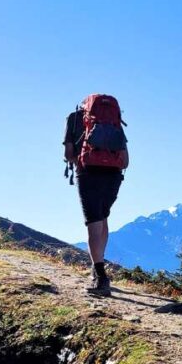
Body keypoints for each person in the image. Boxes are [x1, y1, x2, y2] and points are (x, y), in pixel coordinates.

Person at [64, 94, 129, 297]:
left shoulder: (74, 118)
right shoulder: (115, 122)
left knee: (93, 221)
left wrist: (78, 160)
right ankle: (97, 266)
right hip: (113, 176)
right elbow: (125, 160)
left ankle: (100, 276)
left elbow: (68, 153)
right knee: (102, 217)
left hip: (87, 172)